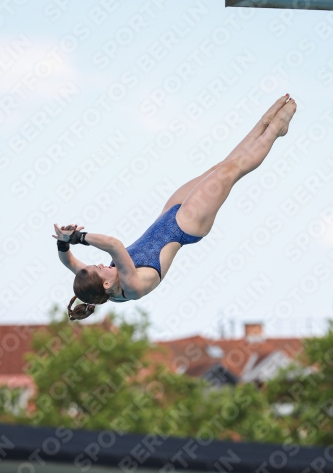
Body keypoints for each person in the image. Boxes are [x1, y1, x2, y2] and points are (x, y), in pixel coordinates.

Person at [53, 95, 297, 320]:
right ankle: (275, 130)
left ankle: (264, 125)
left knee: (219, 168)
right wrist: (78, 237)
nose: (102, 265)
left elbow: (68, 263)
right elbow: (115, 245)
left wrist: (63, 241)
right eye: (100, 268)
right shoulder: (130, 286)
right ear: (105, 285)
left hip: (167, 216)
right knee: (231, 171)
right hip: (185, 227)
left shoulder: (101, 281)